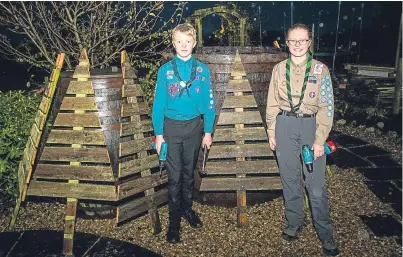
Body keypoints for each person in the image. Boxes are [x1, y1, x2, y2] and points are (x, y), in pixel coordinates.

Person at [266, 24, 340, 256]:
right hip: (284, 126)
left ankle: (325, 234)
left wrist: (320, 140)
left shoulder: (321, 70)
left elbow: (327, 107)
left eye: (302, 40)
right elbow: (271, 103)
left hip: (310, 127)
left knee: (315, 186)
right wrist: (271, 131)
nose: (298, 45)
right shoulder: (279, 69)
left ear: (310, 42)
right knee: (289, 180)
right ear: (287, 43)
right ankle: (293, 223)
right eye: (293, 41)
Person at [152, 23, 216, 244]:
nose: (183, 45)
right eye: (179, 41)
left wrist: (207, 131)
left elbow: (209, 104)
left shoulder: (203, 71)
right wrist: (159, 135)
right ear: (173, 44)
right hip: (170, 129)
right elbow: (158, 104)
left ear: (194, 43)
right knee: (175, 177)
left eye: (188, 41)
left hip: (194, 128)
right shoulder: (165, 71)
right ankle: (174, 223)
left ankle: (187, 209)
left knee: (189, 174)